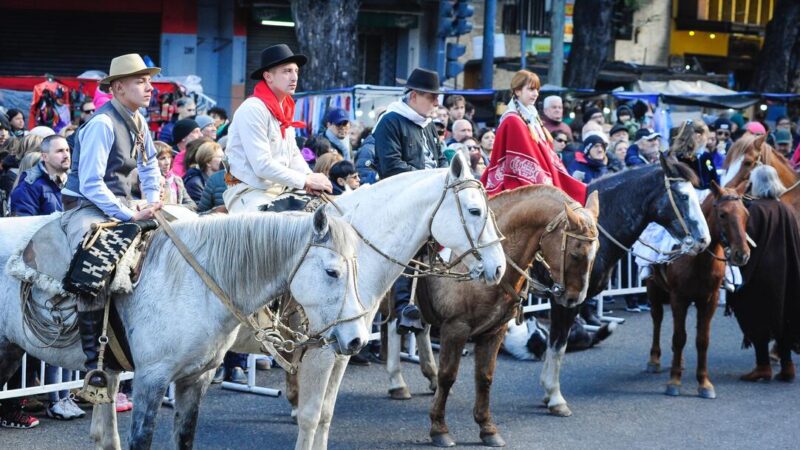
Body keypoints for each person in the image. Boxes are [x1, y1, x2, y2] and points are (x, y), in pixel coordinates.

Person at [60, 53, 162, 399]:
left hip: (121, 204)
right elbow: (90, 183)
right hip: (85, 207)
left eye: (149, 80)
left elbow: (149, 169)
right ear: (118, 88)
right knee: (96, 263)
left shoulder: (139, 120)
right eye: (140, 81)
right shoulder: (103, 124)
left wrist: (152, 200)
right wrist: (129, 214)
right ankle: (95, 366)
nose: (149, 87)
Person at [374, 67, 447, 334]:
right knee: (410, 242)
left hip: (431, 197)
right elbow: (392, 167)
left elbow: (441, 159)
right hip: (400, 199)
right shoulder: (390, 121)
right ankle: (405, 305)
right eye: (432, 97)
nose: (437, 103)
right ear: (414, 96)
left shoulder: (427, 126)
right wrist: (430, 182)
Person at [223, 44, 331, 213]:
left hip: (281, 189)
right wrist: (305, 181)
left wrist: (309, 176)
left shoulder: (285, 107)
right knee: (269, 229)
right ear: (268, 76)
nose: (294, 77)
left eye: (296, 71)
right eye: (287, 71)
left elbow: (293, 154)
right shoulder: (253, 109)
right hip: (248, 191)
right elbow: (262, 165)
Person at [729, 165, 800, 382]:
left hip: (762, 274)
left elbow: (746, 244)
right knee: (785, 316)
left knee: (758, 315)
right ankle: (787, 365)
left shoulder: (755, 210)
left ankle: (762, 366)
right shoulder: (786, 209)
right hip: (788, 273)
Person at [481, 70, 586, 203]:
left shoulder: (532, 116)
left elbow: (545, 153)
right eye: (531, 89)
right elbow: (524, 159)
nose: (535, 94)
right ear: (518, 91)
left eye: (537, 89)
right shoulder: (513, 120)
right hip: (521, 184)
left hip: (544, 174)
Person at [9, 135, 69, 216]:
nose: (66, 155)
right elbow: (24, 223)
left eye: (67, 150)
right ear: (45, 157)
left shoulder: (76, 181)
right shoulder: (29, 186)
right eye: (60, 151)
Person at [672, 120, 718, 191]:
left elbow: (714, 179)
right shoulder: (676, 158)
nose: (708, 142)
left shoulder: (706, 156)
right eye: (707, 138)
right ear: (698, 137)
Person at [154, 141, 195, 208]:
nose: (167, 162)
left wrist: (175, 208)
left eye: (169, 157)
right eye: (162, 158)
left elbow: (192, 205)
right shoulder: (143, 179)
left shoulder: (177, 180)